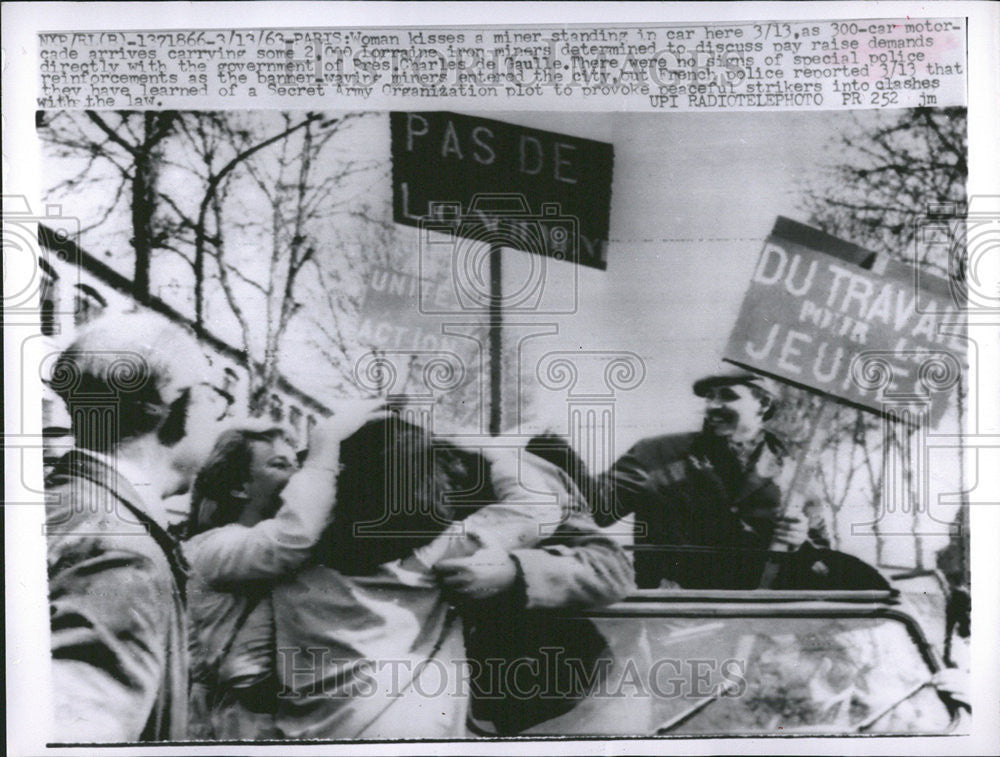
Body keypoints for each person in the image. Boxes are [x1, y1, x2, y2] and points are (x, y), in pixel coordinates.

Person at [185, 414, 633, 739]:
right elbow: (537, 505)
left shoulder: (292, 560)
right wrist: (485, 448)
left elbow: (249, 665)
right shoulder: (439, 551)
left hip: (308, 735)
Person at [45, 312, 230, 742]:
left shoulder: (58, 503)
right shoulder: (122, 555)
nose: (220, 416)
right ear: (176, 403)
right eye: (212, 397)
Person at [597, 369, 813, 589]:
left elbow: (820, 555)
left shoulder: (793, 469)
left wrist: (798, 541)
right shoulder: (656, 453)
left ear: (764, 404)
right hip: (671, 603)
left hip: (757, 604)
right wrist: (572, 465)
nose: (712, 405)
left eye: (728, 396)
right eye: (709, 397)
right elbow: (598, 509)